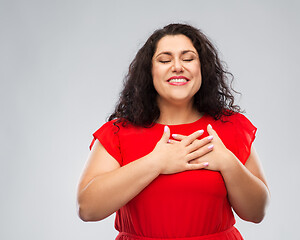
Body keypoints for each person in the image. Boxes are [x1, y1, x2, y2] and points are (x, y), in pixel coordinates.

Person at [77, 23, 270, 240]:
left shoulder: (232, 126)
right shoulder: (118, 133)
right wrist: (156, 163)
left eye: (188, 59)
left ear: (202, 68)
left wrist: (227, 162)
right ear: (149, 71)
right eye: (165, 60)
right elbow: (88, 209)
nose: (177, 67)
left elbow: (256, 212)